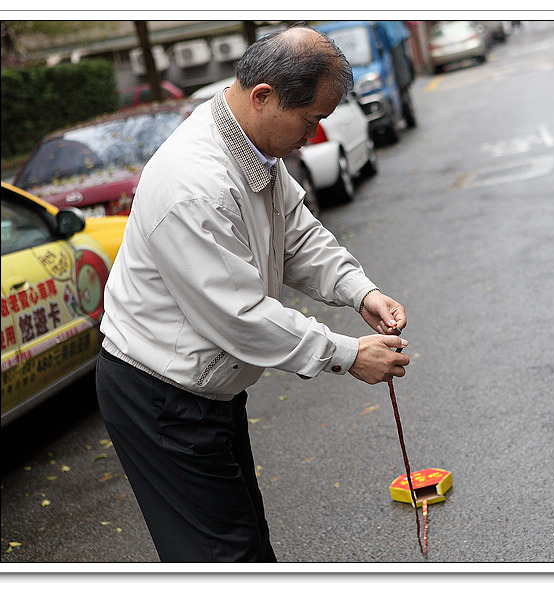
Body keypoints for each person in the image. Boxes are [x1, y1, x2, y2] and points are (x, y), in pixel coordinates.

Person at [95, 25, 409, 563]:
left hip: (207, 388)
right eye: (310, 120)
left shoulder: (251, 148)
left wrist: (361, 291)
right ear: (264, 95)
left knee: (242, 543)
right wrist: (348, 354)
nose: (312, 136)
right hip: (163, 396)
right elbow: (239, 315)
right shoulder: (194, 185)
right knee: (224, 557)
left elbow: (297, 233)